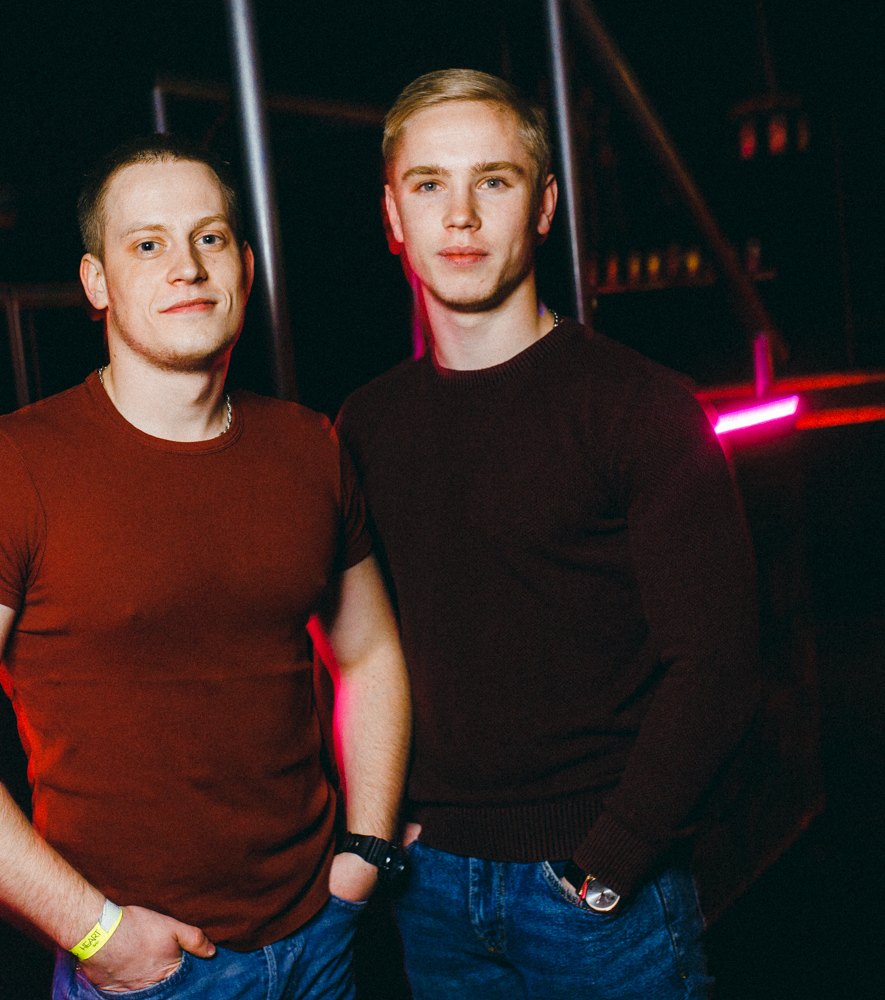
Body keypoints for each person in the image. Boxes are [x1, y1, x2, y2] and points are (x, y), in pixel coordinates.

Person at [0, 134, 411, 1000]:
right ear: (97, 282)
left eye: (209, 238)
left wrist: (366, 854)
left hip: (323, 937)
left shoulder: (310, 447)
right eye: (147, 244)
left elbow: (370, 654)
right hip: (151, 971)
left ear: (246, 266)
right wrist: (99, 935)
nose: (186, 266)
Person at [335, 70, 762, 999]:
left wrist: (611, 862)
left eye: (493, 181)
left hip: (599, 896)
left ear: (544, 206)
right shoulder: (364, 426)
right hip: (432, 888)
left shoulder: (639, 407)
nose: (460, 216)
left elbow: (718, 669)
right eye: (429, 184)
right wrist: (385, 822)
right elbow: (357, 654)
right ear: (393, 216)